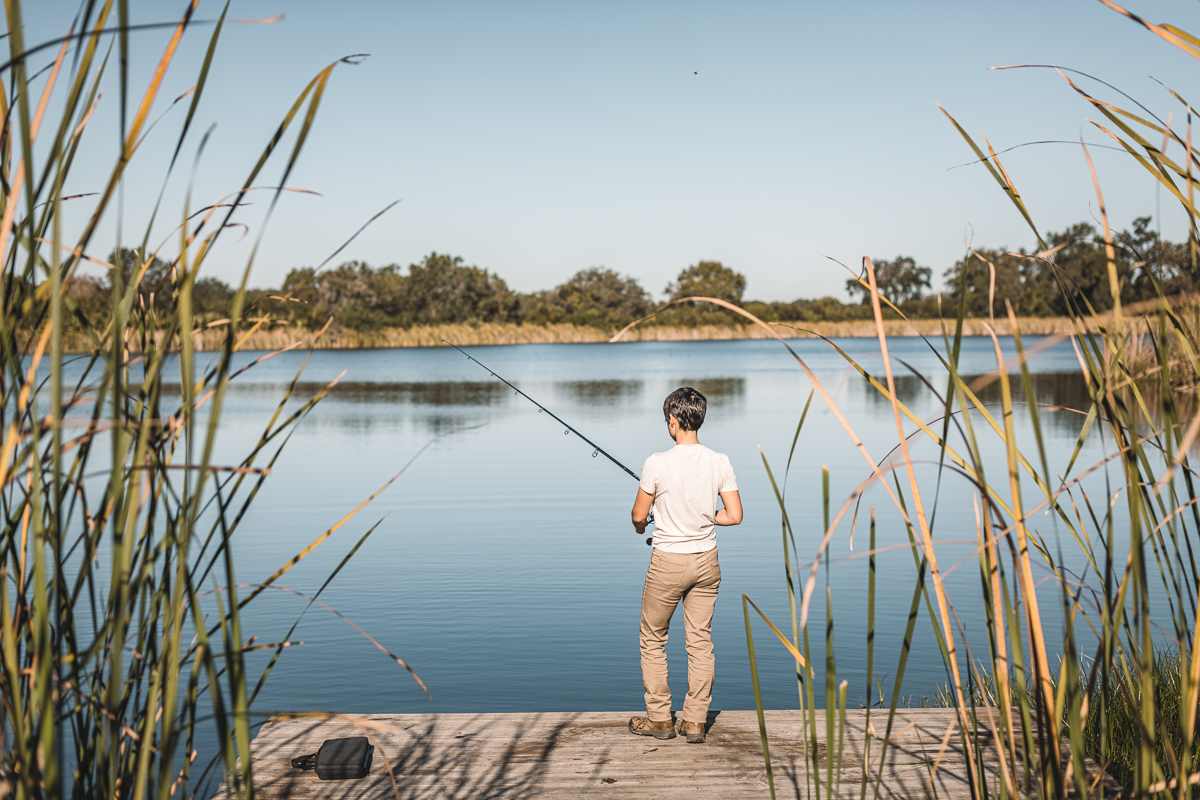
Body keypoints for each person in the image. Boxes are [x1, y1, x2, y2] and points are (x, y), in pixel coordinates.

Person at [627, 386, 743, 744]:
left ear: (673, 422)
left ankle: (660, 718)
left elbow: (638, 514)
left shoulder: (656, 463)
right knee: (700, 640)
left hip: (668, 562)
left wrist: (641, 525)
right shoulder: (719, 460)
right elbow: (734, 515)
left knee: (653, 638)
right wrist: (708, 516)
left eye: (668, 421)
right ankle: (694, 722)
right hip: (707, 562)